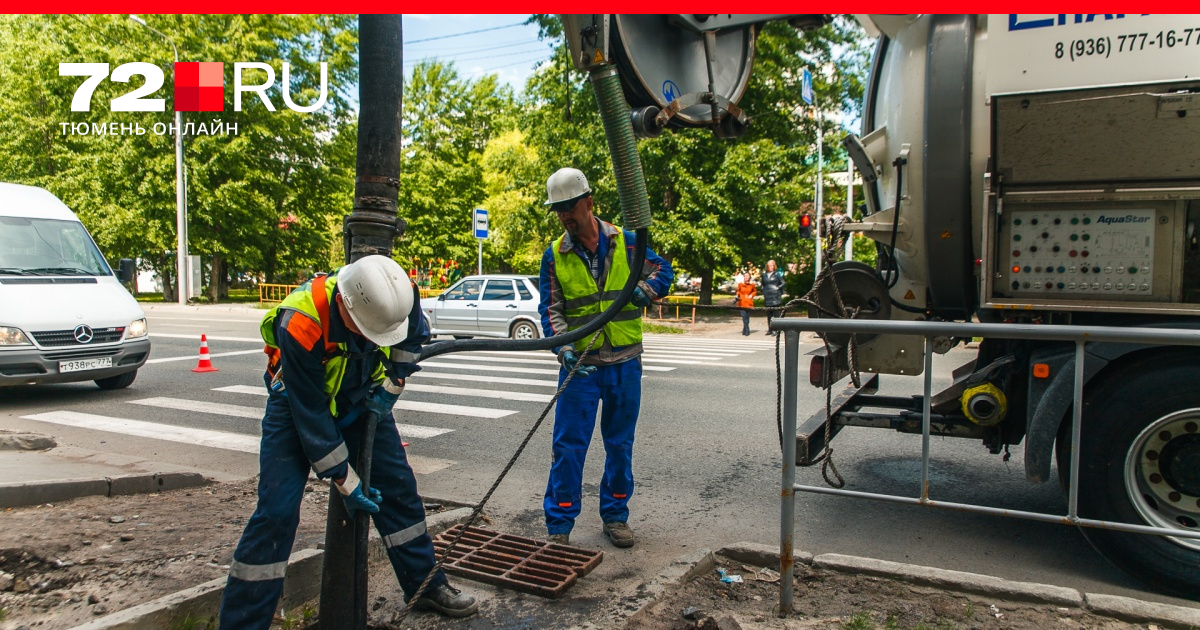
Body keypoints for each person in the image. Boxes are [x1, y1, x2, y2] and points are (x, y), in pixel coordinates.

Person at [218, 255, 477, 629]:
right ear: (344, 303)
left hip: (362, 399)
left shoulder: (397, 298)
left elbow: (413, 341)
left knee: (400, 492)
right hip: (295, 407)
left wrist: (394, 385)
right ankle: (243, 622)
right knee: (276, 512)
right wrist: (345, 479)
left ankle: (425, 587)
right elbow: (311, 416)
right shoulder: (302, 322)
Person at [538, 167, 674, 549]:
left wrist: (647, 288)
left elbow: (665, 270)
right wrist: (562, 347)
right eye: (558, 210)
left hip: (625, 363)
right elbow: (551, 310)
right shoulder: (555, 255)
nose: (564, 215)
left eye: (569, 206)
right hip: (580, 368)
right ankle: (560, 524)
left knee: (619, 444)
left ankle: (615, 515)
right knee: (568, 446)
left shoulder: (628, 243)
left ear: (589, 202)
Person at [760, 260, 785, 335]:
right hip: (767, 296)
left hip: (775, 296)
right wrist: (763, 290)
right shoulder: (764, 275)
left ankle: (777, 329)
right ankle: (770, 329)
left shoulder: (777, 274)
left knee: (776, 314)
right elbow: (762, 284)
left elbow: (783, 282)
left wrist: (778, 287)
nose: (771, 267)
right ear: (767, 266)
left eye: (772, 265)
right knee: (769, 314)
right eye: (770, 265)